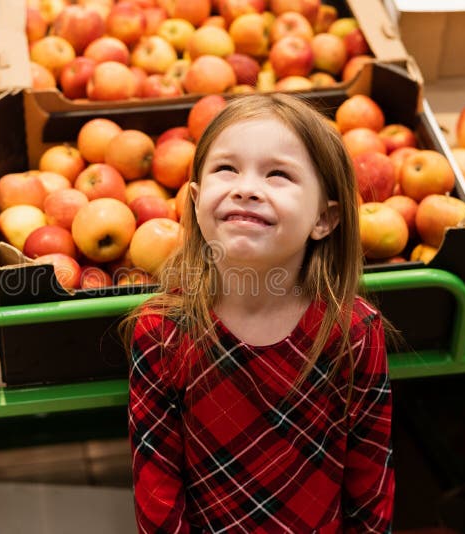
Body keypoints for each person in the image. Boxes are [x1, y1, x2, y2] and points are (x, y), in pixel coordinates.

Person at [122, 93, 394, 533]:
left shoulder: (354, 333)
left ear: (324, 219)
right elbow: (158, 497)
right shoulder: (161, 332)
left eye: (278, 174)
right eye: (226, 169)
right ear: (194, 199)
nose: (246, 188)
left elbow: (371, 486)